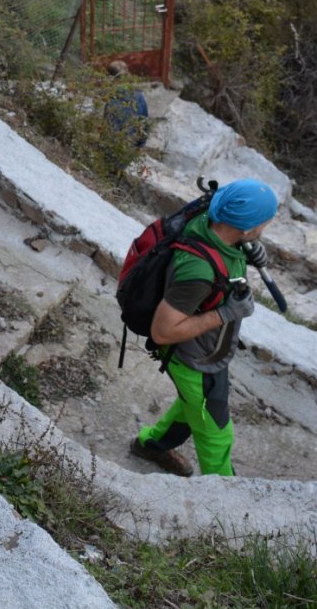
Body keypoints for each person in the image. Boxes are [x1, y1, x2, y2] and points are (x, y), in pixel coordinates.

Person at [130, 179, 279, 477]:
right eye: (264, 224)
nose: (265, 228)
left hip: (207, 351)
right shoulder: (197, 272)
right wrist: (227, 313)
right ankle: (225, 498)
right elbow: (163, 332)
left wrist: (248, 251)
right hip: (193, 359)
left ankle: (151, 445)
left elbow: (224, 254)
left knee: (193, 405)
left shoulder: (210, 221)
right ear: (247, 229)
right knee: (216, 435)